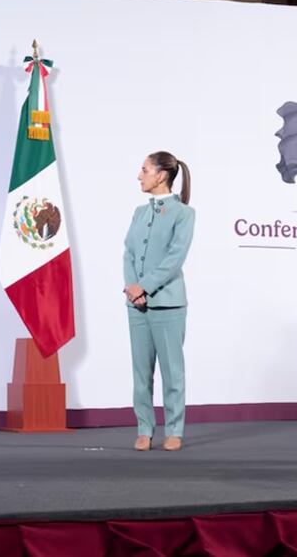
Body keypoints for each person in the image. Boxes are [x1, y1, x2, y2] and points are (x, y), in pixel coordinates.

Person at [123, 151, 195, 452]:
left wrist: (145, 286)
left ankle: (175, 429)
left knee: (172, 371)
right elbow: (128, 252)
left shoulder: (184, 213)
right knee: (141, 372)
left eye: (144, 170)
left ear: (161, 175)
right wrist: (131, 288)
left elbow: (174, 258)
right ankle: (144, 428)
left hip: (167, 303)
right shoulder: (140, 212)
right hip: (136, 304)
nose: (139, 176)